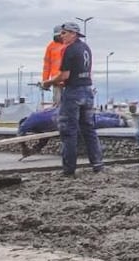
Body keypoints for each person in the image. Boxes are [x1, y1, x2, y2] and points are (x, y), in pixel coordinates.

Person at [41, 22, 104, 176]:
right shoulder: (85, 48)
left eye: (64, 33)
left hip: (73, 92)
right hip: (87, 91)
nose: (61, 36)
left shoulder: (69, 50)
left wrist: (48, 82)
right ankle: (97, 164)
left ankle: (69, 169)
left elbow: (65, 75)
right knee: (89, 129)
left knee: (68, 131)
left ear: (73, 34)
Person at [41, 24, 67, 105]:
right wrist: (45, 81)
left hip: (68, 81)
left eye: (60, 35)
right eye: (57, 35)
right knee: (57, 104)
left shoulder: (68, 45)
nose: (59, 37)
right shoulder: (50, 47)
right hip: (56, 81)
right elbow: (46, 66)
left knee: (69, 104)